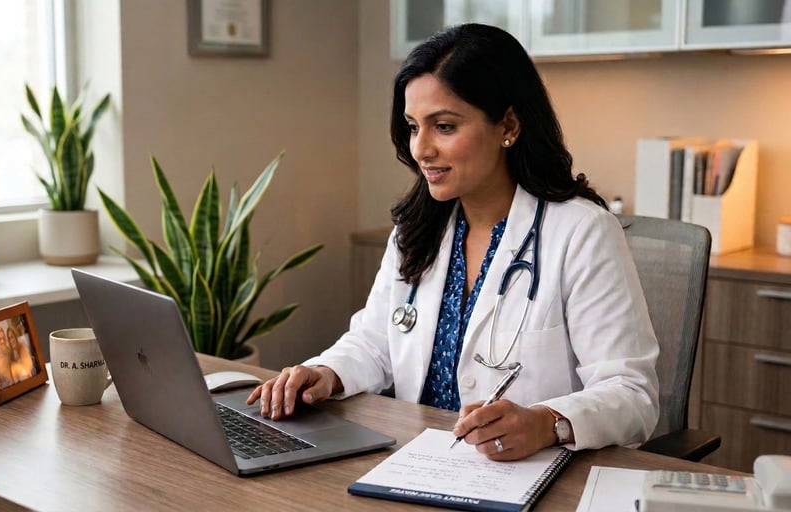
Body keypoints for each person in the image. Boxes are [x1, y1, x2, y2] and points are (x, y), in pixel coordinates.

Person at [247, 23, 660, 462]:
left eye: (443, 126)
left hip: (525, 475)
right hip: (416, 460)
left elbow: (632, 394)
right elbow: (374, 342)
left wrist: (547, 422)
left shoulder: (580, 232)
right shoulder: (417, 228)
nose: (421, 149)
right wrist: (325, 372)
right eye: (412, 127)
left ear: (509, 124)